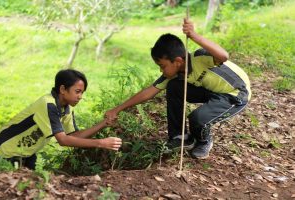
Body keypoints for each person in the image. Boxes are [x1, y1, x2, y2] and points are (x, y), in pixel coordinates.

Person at [105, 19, 251, 159]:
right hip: (213, 92)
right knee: (174, 86)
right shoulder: (176, 73)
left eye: (162, 66)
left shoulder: (201, 57)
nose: (161, 71)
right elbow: (148, 92)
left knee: (197, 118)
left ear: (178, 61)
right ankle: (180, 137)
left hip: (236, 93)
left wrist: (193, 35)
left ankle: (203, 141)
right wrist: (117, 109)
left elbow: (223, 56)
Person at [0, 69, 122, 169]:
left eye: (82, 93)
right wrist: (101, 143)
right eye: (77, 91)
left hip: (26, 155)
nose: (80, 97)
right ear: (62, 89)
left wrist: (103, 124)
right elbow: (63, 140)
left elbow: (74, 135)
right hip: (4, 152)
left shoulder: (67, 107)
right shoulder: (48, 104)